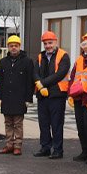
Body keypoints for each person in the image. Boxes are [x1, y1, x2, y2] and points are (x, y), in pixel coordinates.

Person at [32, 30, 70, 159]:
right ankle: (45, 147)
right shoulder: (40, 56)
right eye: (45, 43)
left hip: (57, 95)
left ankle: (58, 150)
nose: (48, 46)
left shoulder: (63, 56)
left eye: (50, 43)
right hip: (42, 95)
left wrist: (42, 83)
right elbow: (35, 72)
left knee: (56, 123)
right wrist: (39, 84)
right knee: (43, 123)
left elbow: (60, 74)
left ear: (55, 42)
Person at [0, 35, 33, 155]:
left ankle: (17, 146)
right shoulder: (3, 61)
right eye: (11, 46)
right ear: (8, 47)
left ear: (19, 47)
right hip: (6, 98)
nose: (13, 48)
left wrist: (28, 98)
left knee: (17, 124)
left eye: (16, 46)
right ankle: (9, 145)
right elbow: (0, 81)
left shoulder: (27, 61)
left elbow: (29, 81)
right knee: (7, 123)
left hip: (20, 98)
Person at [69, 32, 87, 162]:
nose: (85, 46)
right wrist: (70, 94)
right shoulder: (79, 60)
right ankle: (84, 151)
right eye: (84, 44)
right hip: (78, 97)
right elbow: (72, 77)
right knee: (80, 126)